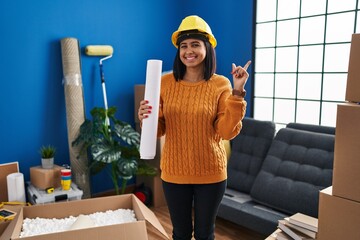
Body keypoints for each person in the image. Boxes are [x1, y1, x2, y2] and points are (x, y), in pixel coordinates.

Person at [138, 15, 251, 240]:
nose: (189, 51)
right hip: (174, 172)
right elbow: (158, 130)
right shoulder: (166, 83)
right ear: (179, 51)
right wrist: (145, 118)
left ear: (207, 48)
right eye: (184, 46)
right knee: (180, 233)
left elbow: (227, 131)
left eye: (195, 44)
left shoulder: (221, 84)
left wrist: (237, 92)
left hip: (211, 173)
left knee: (204, 234)